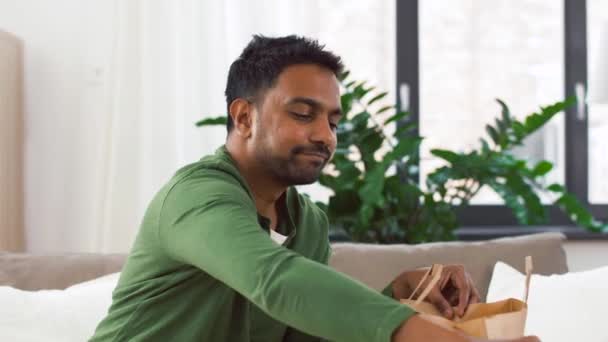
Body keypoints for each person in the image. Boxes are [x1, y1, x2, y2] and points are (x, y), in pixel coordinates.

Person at [90, 35, 540, 342]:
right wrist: (416, 333)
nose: (326, 136)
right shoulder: (198, 196)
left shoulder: (306, 221)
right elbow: (275, 280)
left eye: (334, 121)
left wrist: (399, 293)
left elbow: (300, 332)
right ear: (244, 117)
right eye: (304, 114)